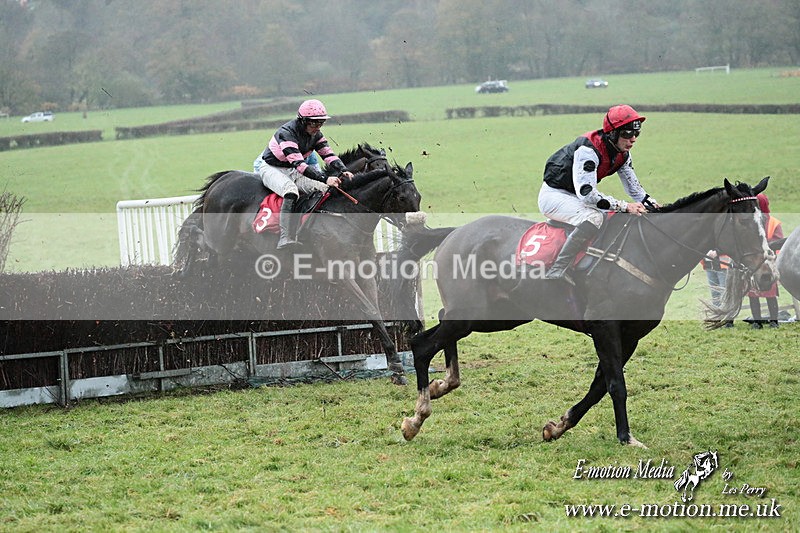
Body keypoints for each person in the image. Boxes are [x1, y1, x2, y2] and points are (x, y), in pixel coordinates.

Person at [538, 104, 659, 282]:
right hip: (554, 196)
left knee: (614, 217)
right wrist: (625, 206)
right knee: (594, 217)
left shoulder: (622, 154)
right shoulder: (589, 150)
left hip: (575, 196)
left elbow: (635, 190)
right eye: (627, 134)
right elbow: (587, 195)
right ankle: (558, 269)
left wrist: (655, 206)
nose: (633, 139)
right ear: (613, 133)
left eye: (636, 133)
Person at [253, 99, 353, 249]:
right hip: (271, 168)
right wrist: (326, 178)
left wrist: (343, 169)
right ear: (303, 121)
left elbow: (328, 155)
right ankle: (285, 237)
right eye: (314, 123)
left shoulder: (316, 134)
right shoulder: (286, 134)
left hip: (291, 169)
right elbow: (300, 165)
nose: (317, 127)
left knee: (325, 189)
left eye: (321, 123)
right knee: (291, 191)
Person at [746, 193, 783, 329]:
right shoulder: (751, 221)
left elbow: (779, 242)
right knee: (754, 293)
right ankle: (759, 321)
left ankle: (772, 321)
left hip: (768, 262)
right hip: (755, 262)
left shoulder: (773, 222)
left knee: (769, 293)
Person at [701, 250, 733, 327]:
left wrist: (717, 253)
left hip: (722, 266)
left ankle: (728, 320)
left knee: (725, 293)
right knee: (715, 294)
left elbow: (728, 247)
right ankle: (717, 318)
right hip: (709, 266)